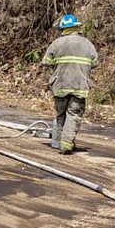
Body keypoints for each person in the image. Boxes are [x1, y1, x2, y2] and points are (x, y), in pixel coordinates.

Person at [40, 13, 98, 153]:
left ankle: (59, 142)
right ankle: (66, 144)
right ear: (77, 27)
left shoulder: (56, 43)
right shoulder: (87, 44)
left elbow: (46, 62)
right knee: (74, 114)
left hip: (60, 86)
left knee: (61, 114)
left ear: (63, 29)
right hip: (79, 86)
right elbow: (95, 63)